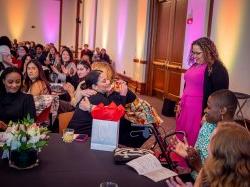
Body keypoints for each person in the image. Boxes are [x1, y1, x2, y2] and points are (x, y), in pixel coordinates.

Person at [176, 37, 229, 146]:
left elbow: (221, 95)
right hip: (186, 106)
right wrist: (180, 102)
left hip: (198, 108)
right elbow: (188, 86)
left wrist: (208, 113)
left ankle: (190, 160)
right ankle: (180, 155)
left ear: (207, 51)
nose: (194, 56)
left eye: (198, 53)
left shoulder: (217, 68)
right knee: (182, 133)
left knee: (193, 136)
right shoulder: (195, 65)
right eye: (193, 53)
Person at [172, 89, 238, 176]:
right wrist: (188, 155)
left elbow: (219, 180)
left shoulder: (231, 141)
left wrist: (197, 165)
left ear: (222, 111)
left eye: (209, 107)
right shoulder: (208, 125)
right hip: (195, 175)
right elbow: (199, 155)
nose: (205, 110)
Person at [68, 70, 129, 136]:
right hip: (78, 139)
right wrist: (123, 95)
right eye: (104, 81)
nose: (108, 82)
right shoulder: (98, 98)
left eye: (107, 79)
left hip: (73, 135)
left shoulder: (93, 94)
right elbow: (118, 118)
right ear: (95, 86)